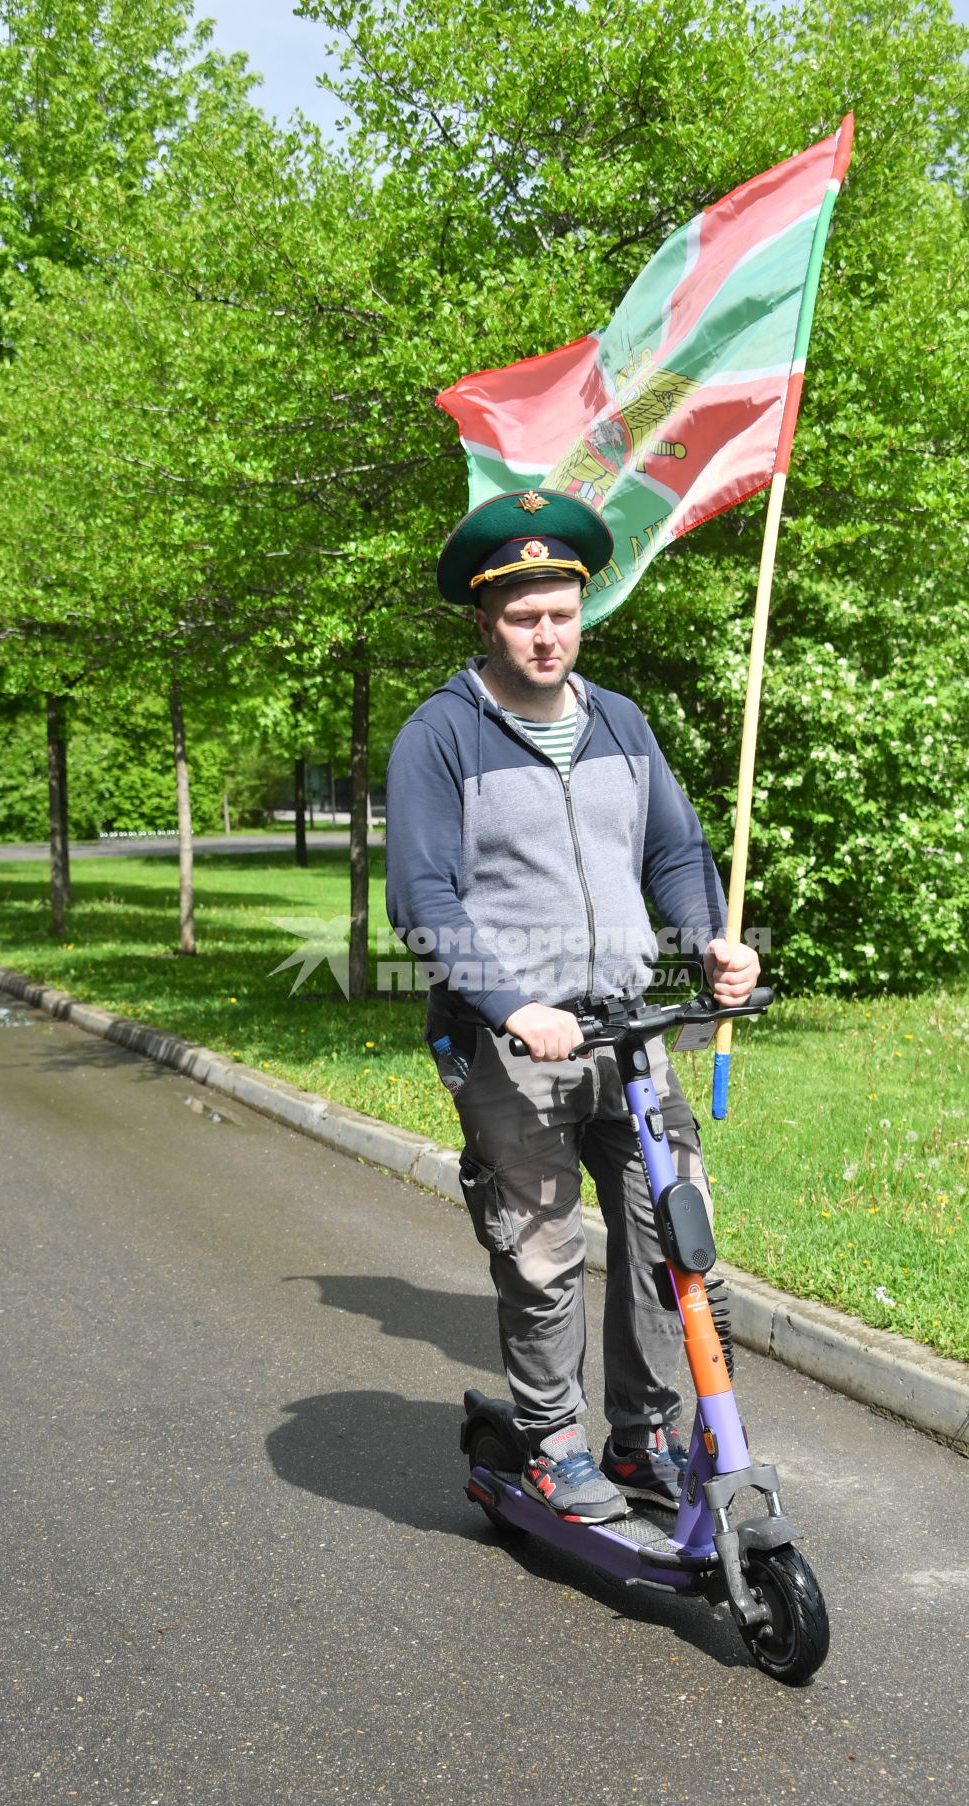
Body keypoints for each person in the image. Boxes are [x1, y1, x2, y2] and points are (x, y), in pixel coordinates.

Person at [385, 487, 760, 1521]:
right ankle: (552, 1445)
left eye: (560, 612)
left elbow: (674, 851)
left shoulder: (621, 722)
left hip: (629, 1037)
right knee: (541, 1248)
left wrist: (709, 939)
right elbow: (421, 899)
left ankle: (639, 1438)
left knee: (668, 1237)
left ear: (580, 609)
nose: (545, 634)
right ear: (484, 618)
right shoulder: (441, 734)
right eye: (522, 615)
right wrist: (510, 1002)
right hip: (514, 1047)